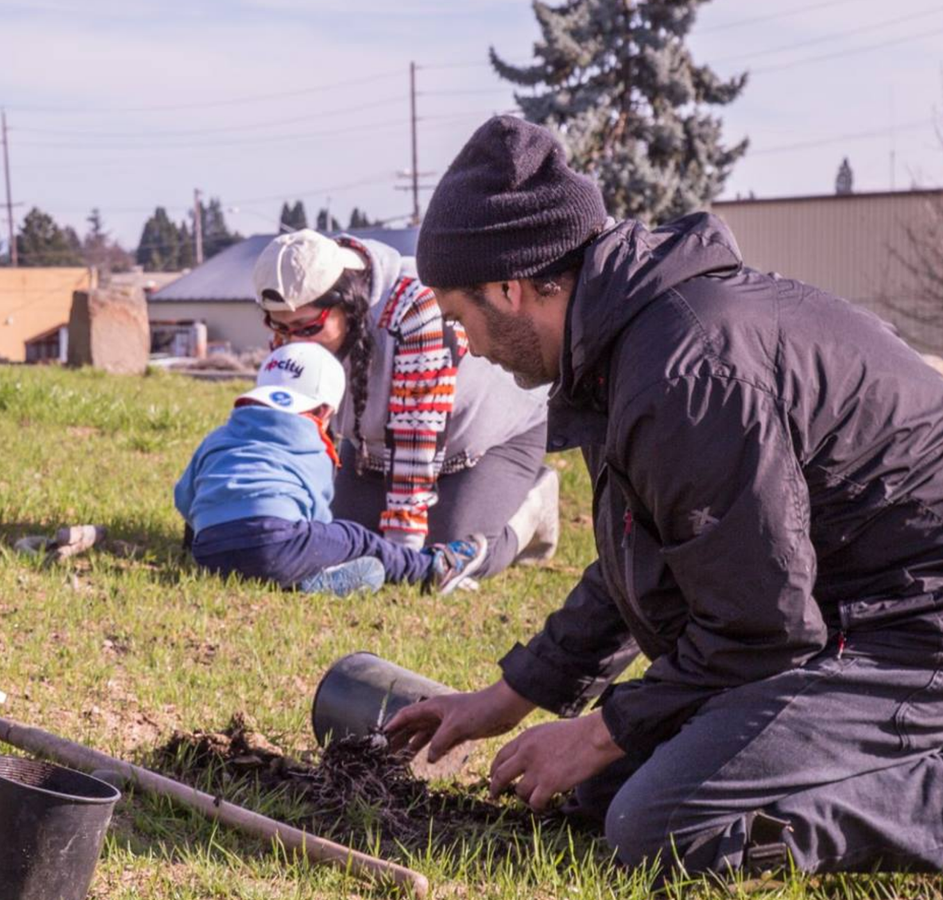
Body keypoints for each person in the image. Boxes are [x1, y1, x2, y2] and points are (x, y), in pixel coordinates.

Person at [386, 115, 943, 880]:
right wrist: (513, 695)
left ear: (509, 288)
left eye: (458, 319)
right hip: (856, 608)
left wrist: (596, 731)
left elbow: (761, 630)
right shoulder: (626, 342)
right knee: (605, 789)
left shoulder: (686, 371)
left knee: (663, 824)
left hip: (914, 629)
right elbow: (651, 551)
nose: (464, 348)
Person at [253, 228, 557, 584]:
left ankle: (535, 501)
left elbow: (416, 442)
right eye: (279, 328)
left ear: (346, 301)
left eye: (306, 328)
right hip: (376, 448)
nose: (292, 342)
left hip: (489, 439)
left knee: (443, 552)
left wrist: (406, 565)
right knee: (337, 539)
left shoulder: (416, 308)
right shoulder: (294, 325)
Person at [175, 342, 487, 597]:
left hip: (210, 553)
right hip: (277, 544)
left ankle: (304, 583)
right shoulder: (313, 444)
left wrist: (204, 537)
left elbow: (185, 498)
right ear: (325, 411)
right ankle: (429, 569)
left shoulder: (219, 436)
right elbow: (317, 518)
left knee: (273, 559)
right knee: (354, 538)